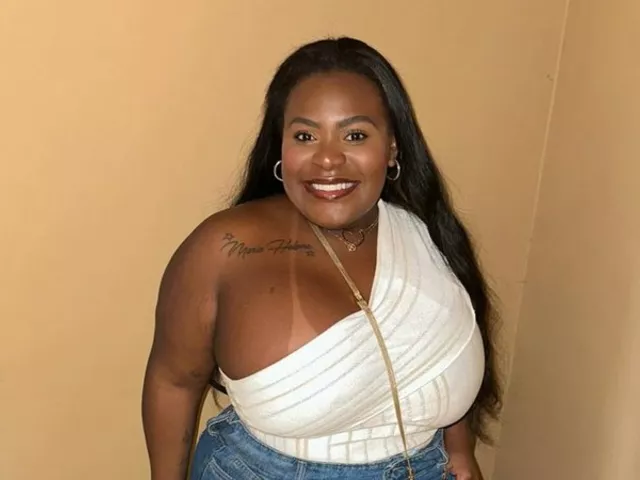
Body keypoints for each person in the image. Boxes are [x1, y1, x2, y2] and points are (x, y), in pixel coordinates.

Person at [142, 36, 501, 480]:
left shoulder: (426, 235)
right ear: (281, 147)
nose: (328, 159)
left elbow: (441, 354)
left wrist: (458, 449)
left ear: (392, 147)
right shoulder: (222, 248)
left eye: (355, 135)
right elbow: (173, 381)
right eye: (305, 136)